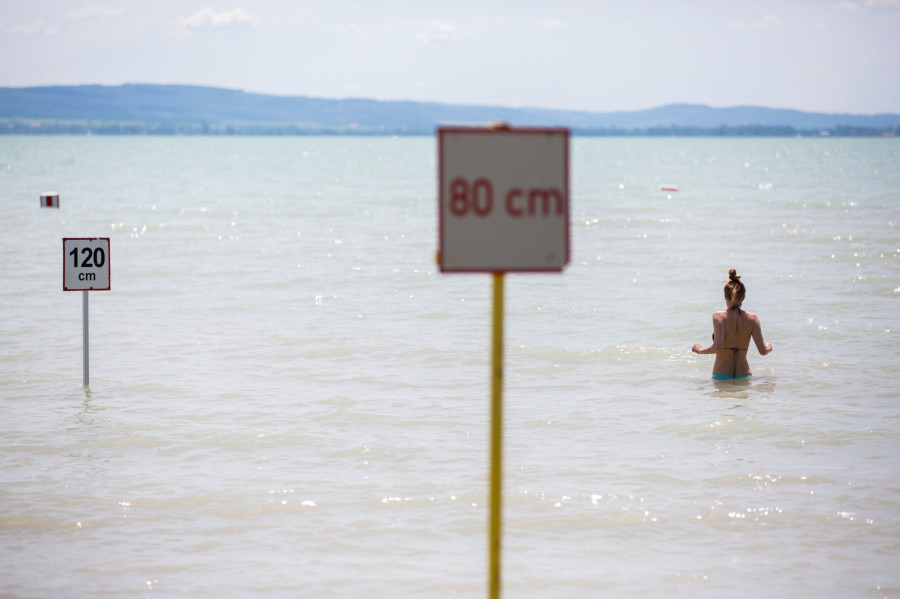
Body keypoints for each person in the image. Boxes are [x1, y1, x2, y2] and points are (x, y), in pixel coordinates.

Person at [692, 269, 772, 380]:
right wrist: (768, 347)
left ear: (725, 296)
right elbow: (763, 351)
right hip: (744, 375)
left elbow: (718, 347)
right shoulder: (753, 318)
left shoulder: (719, 316)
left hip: (721, 374)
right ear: (743, 297)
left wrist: (700, 351)